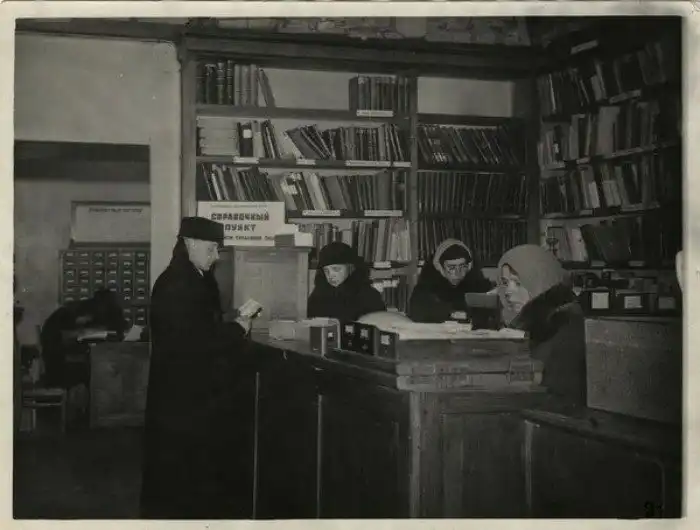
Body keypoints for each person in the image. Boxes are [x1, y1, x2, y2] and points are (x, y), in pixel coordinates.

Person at [140, 217, 254, 519]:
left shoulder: (191, 277)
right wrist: (237, 329)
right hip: (185, 394)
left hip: (186, 391)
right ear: (189, 243)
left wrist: (228, 322)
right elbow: (196, 339)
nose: (215, 257)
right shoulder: (180, 283)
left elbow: (198, 326)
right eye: (211, 249)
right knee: (185, 474)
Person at [497, 244, 587, 406]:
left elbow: (558, 395)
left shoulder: (565, 323)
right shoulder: (523, 321)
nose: (508, 291)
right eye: (505, 282)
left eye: (518, 283)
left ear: (542, 280)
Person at [40, 288, 126, 388]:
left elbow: (120, 326)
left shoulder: (106, 309)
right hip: (58, 356)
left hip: (68, 349)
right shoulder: (76, 311)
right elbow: (64, 335)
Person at [407, 238, 493, 323]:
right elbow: (417, 311)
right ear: (440, 268)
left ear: (469, 266)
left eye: (463, 266)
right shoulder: (428, 284)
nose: (458, 273)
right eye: (452, 268)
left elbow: (489, 312)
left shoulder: (477, 283)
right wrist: (451, 312)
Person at [307, 241, 386, 322]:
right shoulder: (318, 294)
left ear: (351, 268)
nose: (331, 275)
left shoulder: (369, 296)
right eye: (326, 271)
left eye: (336, 269)